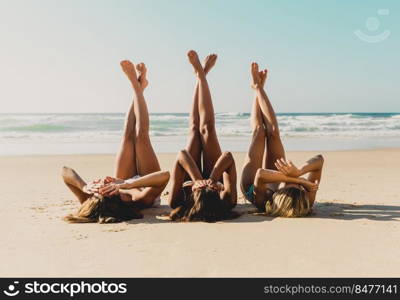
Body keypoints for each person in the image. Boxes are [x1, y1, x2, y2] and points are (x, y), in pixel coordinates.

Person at [62, 60, 170, 222]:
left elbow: (65, 171)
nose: (104, 188)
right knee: (141, 136)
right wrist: (125, 185)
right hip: (146, 181)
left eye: (103, 191)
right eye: (111, 192)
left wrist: (84, 186)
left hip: (124, 180)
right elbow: (164, 176)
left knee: (127, 135)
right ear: (122, 199)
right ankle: (136, 86)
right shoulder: (140, 200)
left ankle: (139, 87)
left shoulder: (95, 201)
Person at [240, 62, 324, 217]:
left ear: (281, 192)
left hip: (254, 185)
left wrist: (298, 180)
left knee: (259, 132)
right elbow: (319, 160)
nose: (293, 181)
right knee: (273, 133)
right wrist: (299, 172)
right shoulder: (307, 197)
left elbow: (260, 174)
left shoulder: (264, 198)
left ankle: (257, 88)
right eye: (298, 186)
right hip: (273, 181)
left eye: (290, 184)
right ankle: (258, 88)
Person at [167, 51, 238, 222]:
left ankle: (201, 74)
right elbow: (228, 157)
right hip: (215, 172)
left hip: (189, 174)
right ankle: (201, 74)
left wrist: (198, 180)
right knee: (207, 128)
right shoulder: (228, 202)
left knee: (193, 129)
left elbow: (181, 154)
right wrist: (212, 180)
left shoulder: (177, 202)